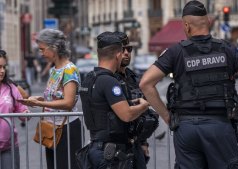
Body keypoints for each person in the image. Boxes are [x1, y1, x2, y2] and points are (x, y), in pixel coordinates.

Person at [139, 1, 238, 168]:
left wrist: (168, 117)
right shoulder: (227, 49)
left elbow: (146, 83)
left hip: (187, 128)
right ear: (209, 23)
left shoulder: (176, 52)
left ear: (187, 26)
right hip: (220, 126)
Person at [79, 31, 149, 169]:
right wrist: (144, 106)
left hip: (97, 146)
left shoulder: (88, 78)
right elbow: (127, 114)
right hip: (111, 152)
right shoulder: (109, 81)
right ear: (118, 55)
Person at [19, 29, 82, 169]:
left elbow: (68, 102)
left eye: (43, 49)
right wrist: (37, 99)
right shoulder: (55, 69)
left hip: (66, 130)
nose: (41, 54)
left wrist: (39, 102)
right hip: (53, 128)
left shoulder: (69, 70)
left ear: (54, 47)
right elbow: (55, 96)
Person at [113, 31, 159, 168]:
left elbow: (142, 114)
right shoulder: (107, 79)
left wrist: (143, 143)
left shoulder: (132, 78)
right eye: (123, 49)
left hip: (135, 145)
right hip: (115, 146)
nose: (127, 52)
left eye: (129, 49)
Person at [0, 49, 30, 169]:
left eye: (4, 67)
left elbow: (22, 110)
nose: (2, 71)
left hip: (9, 146)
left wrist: (25, 113)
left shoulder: (11, 88)